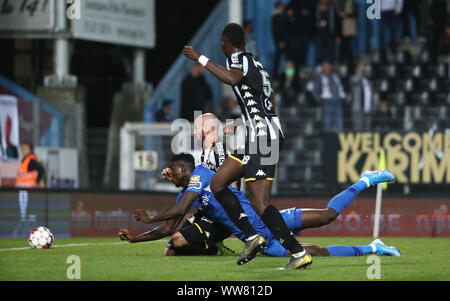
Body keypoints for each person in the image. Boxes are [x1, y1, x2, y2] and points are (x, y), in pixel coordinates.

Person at [183, 23, 312, 270]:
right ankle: (252, 236)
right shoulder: (257, 64)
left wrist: (200, 57)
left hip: (264, 137)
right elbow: (268, 99)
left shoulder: (239, 59)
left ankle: (297, 252)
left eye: (221, 43)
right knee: (218, 182)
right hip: (258, 135)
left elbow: (232, 77)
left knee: (260, 202)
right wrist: (245, 120)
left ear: (225, 43)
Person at [118, 153, 400, 259]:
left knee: (328, 215)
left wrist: (147, 218)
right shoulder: (188, 194)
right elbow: (169, 227)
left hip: (268, 218)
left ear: (183, 168)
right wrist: (137, 238)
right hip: (260, 237)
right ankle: (373, 247)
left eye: (172, 170)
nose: (170, 174)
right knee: (310, 252)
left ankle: (364, 181)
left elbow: (177, 213)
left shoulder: (202, 174)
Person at [313, 61, 346, 132]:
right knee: (327, 126)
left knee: (340, 126)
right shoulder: (319, 78)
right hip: (327, 104)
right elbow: (315, 92)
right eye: (325, 66)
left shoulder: (335, 76)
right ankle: (327, 142)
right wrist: (321, 101)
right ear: (323, 68)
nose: (327, 68)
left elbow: (341, 87)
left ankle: (340, 142)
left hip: (337, 104)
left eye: (328, 66)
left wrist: (342, 98)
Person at [350, 62, 374, 131]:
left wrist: (372, 106)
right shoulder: (354, 79)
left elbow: (371, 96)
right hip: (358, 110)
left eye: (363, 68)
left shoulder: (369, 82)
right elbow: (356, 79)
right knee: (358, 130)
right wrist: (360, 70)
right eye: (360, 68)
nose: (363, 70)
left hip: (368, 110)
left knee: (367, 130)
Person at [271, 1, 288, 79]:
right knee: (280, 59)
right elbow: (277, 30)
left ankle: (284, 74)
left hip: (282, 41)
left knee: (281, 59)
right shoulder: (277, 17)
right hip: (281, 41)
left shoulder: (280, 16)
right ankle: (278, 75)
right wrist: (280, 41)